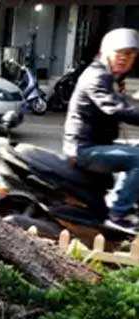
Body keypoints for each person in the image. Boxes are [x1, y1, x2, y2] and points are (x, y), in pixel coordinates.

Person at [63, 28, 139, 234]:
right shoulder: (97, 75)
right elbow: (114, 107)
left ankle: (124, 201)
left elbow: (124, 104)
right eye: (120, 53)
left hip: (95, 144)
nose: (124, 59)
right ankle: (117, 214)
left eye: (130, 55)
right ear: (106, 51)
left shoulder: (110, 78)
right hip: (83, 149)